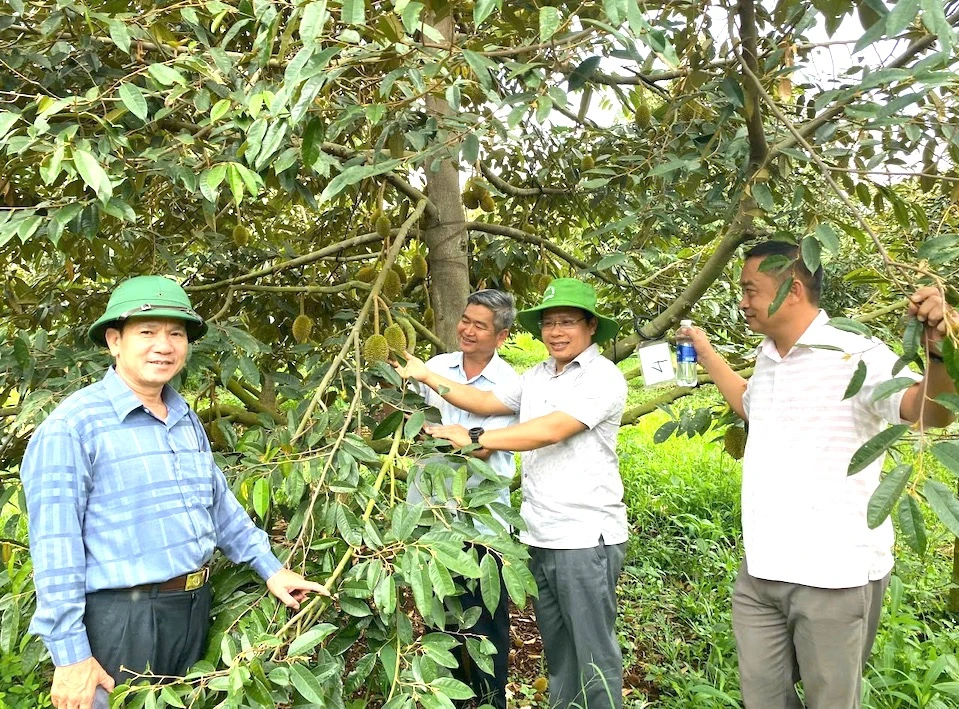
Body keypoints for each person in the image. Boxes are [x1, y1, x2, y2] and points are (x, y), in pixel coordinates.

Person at [22, 276, 326, 709]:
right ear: (114, 341)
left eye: (176, 333)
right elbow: (55, 549)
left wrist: (272, 568)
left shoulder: (184, 417)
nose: (163, 345)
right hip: (121, 620)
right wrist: (71, 657)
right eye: (147, 332)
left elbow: (220, 507)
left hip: (193, 608)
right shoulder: (72, 427)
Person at [680, 240, 957, 709]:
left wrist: (940, 354)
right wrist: (705, 352)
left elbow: (928, 412)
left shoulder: (856, 353)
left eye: (750, 289)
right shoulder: (770, 356)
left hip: (832, 574)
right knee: (763, 698)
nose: (742, 301)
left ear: (791, 288)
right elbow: (750, 405)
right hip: (761, 570)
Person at [396, 278, 628, 709]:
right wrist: (426, 374)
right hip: (537, 533)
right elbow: (483, 401)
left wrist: (474, 437)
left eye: (567, 323)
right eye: (549, 323)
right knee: (560, 654)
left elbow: (548, 431)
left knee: (593, 653)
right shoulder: (537, 376)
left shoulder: (602, 378)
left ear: (591, 327)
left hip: (585, 535)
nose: (557, 332)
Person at [409, 289, 521, 709]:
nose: (468, 330)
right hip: (431, 520)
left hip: (482, 527)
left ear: (502, 336)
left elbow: (483, 449)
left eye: (480, 325)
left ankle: (491, 701)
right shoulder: (436, 367)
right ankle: (446, 700)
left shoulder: (511, 384)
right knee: (438, 620)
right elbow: (409, 421)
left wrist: (436, 434)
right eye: (465, 320)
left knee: (485, 625)